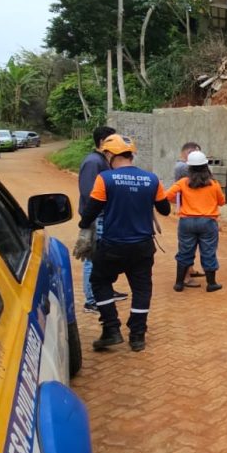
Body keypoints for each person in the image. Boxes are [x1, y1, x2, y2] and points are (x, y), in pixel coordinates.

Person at [76, 134, 171, 353]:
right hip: (143, 247)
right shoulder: (152, 179)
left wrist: (83, 227)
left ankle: (111, 329)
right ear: (131, 155)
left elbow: (91, 210)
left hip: (113, 246)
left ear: (110, 154)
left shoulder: (105, 179)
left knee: (99, 281)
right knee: (142, 289)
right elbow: (165, 210)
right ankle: (137, 336)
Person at [166, 150, 226, 292]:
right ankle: (211, 284)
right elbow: (222, 201)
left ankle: (179, 283)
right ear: (206, 167)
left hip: (187, 222)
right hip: (208, 222)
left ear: (190, 168)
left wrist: (180, 201)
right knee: (208, 251)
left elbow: (167, 196)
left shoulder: (183, 183)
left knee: (185, 251)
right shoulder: (214, 184)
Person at [77, 126, 120, 313]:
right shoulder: (93, 162)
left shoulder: (102, 160)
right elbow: (89, 194)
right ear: (103, 142)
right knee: (92, 258)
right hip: (95, 217)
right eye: (112, 140)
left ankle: (105, 291)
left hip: (103, 216)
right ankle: (91, 299)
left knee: (104, 257)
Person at [172, 142, 204, 287]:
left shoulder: (181, 166)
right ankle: (185, 277)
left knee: (189, 245)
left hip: (190, 211)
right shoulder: (183, 167)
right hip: (190, 211)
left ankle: (189, 270)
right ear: (189, 153)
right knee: (186, 247)